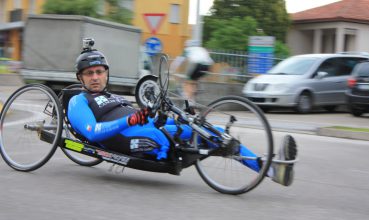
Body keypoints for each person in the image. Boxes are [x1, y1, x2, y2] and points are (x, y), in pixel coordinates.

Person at [68, 39, 297, 186]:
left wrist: (158, 114)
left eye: (99, 72)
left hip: (147, 128)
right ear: (80, 77)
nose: (95, 77)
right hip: (130, 138)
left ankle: (271, 169)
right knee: (166, 140)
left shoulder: (113, 96)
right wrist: (131, 119)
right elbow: (94, 132)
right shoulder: (79, 101)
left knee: (210, 131)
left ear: (106, 74)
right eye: (89, 73)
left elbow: (140, 115)